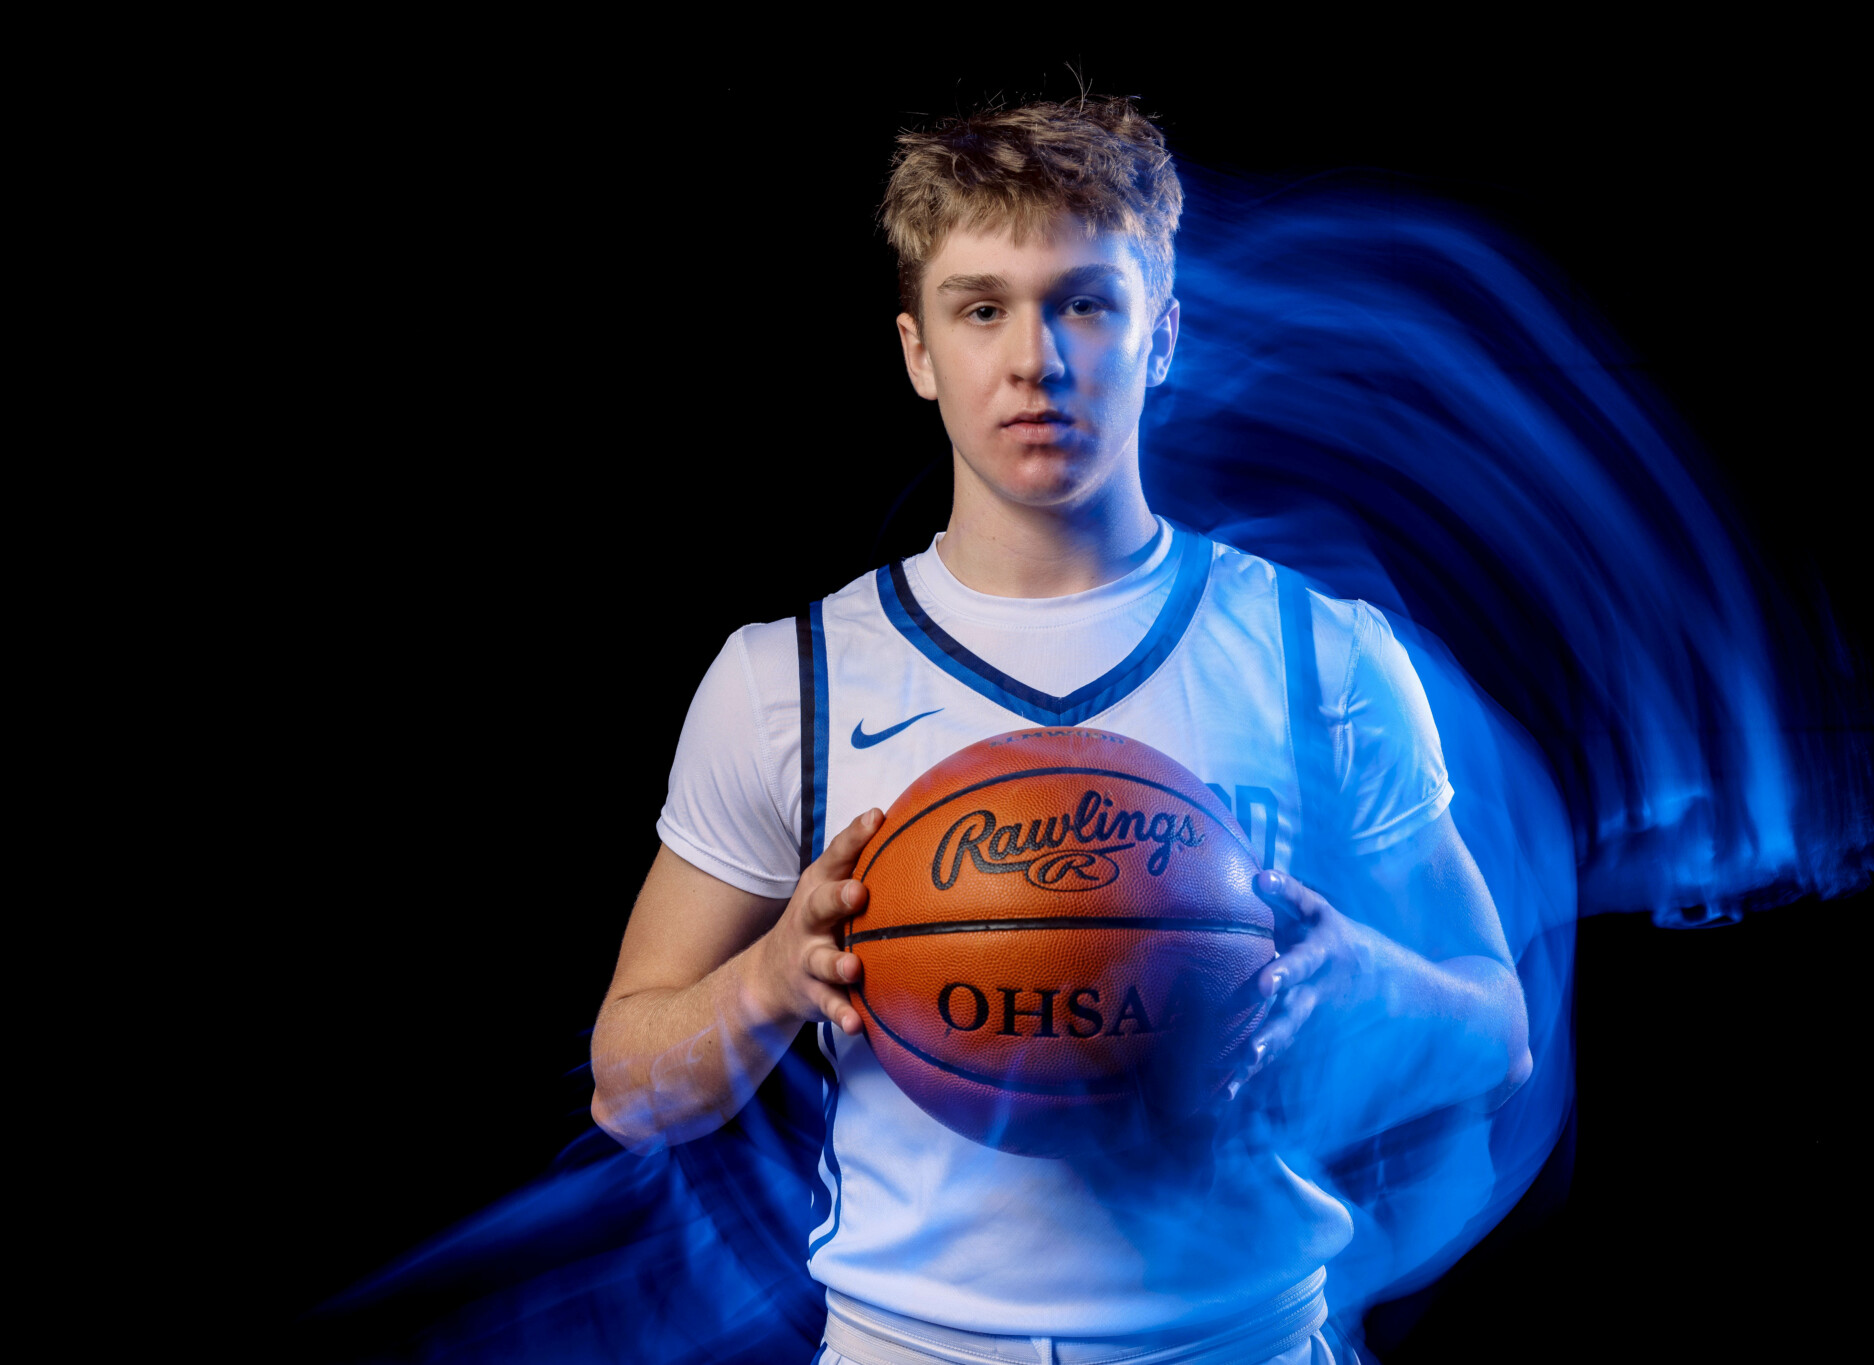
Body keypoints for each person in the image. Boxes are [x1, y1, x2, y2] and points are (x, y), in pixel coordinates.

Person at [591, 97, 1531, 1365]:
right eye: (981, 308)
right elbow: (627, 1090)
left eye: (1085, 302)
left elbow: (1496, 1036)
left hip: (1243, 1343)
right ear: (918, 350)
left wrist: (1370, 980)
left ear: (1162, 339)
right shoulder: (789, 680)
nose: (1035, 358)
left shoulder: (1324, 658)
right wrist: (768, 982)